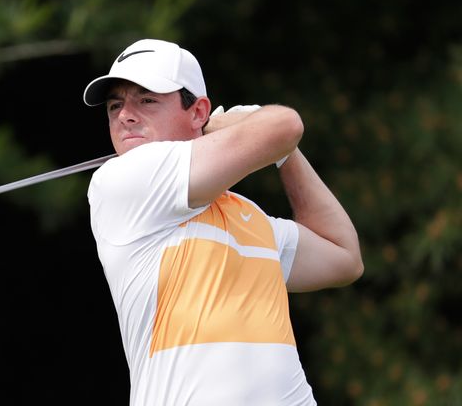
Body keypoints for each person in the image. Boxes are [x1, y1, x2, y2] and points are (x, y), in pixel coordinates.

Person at [82, 38, 363, 405]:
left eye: (146, 100)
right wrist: (253, 127)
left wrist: (285, 153)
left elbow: (343, 257)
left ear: (198, 112)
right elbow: (285, 123)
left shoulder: (250, 217)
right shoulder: (123, 182)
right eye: (115, 105)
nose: (124, 115)